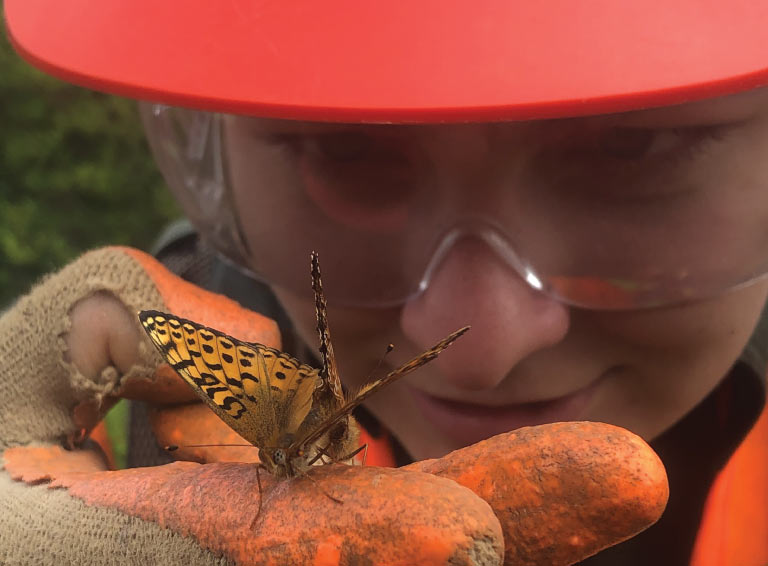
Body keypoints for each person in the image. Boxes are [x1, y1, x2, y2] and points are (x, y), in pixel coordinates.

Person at [2, 2, 768, 565]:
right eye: (340, 151)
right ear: (212, 153)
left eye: (636, 149)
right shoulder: (109, 424)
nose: (483, 351)